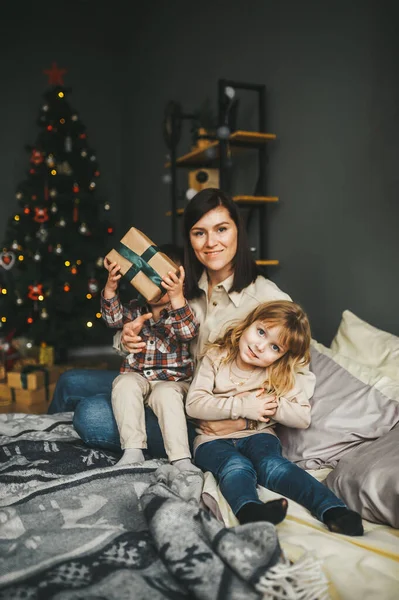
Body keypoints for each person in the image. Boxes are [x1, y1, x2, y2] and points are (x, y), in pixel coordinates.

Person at [48, 187, 308, 457]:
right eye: (199, 233)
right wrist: (125, 340)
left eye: (221, 229)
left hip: (197, 410)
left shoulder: (269, 300)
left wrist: (243, 420)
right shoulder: (179, 285)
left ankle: (173, 450)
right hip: (159, 375)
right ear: (190, 239)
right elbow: (143, 324)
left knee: (90, 416)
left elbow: (297, 375)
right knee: (70, 381)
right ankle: (42, 449)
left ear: (238, 232)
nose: (210, 243)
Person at [185, 300, 364, 536]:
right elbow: (194, 405)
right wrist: (243, 405)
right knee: (235, 465)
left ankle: (333, 511)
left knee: (273, 465)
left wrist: (272, 405)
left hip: (258, 436)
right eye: (261, 332)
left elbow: (302, 417)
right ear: (249, 323)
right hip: (210, 441)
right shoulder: (216, 357)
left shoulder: (277, 373)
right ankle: (250, 511)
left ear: (282, 356)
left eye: (275, 348)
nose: (260, 347)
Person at [101, 244, 200, 471]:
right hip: (138, 376)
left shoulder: (183, 312)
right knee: (123, 383)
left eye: (164, 282)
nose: (157, 287)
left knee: (166, 395)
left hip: (173, 381)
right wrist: (110, 287)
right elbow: (112, 319)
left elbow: (188, 332)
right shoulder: (137, 308)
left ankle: (181, 458)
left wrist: (176, 298)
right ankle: (133, 450)